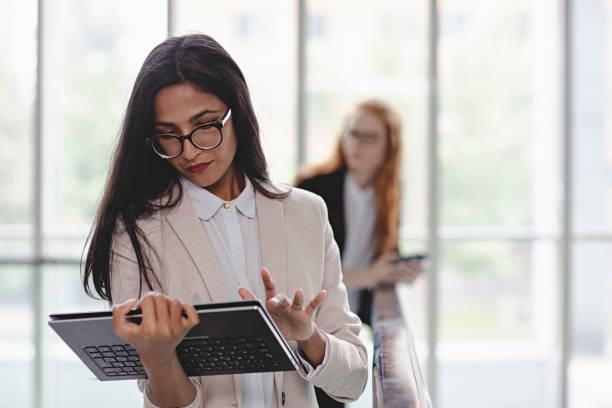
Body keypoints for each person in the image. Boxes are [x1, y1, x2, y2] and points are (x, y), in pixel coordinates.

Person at [82, 34, 367, 408]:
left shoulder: (305, 213)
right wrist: (158, 360)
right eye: (169, 135)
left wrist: (309, 337)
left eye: (204, 126)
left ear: (238, 113)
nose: (188, 151)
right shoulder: (136, 231)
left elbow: (354, 381)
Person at [296, 100, 423, 407]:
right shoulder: (312, 189)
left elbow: (379, 257)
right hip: (309, 322)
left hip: (348, 324)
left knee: (337, 394)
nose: (357, 144)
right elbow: (303, 270)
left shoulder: (389, 194)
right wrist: (370, 275)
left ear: (389, 145)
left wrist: (394, 270)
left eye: (369, 137)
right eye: (352, 134)